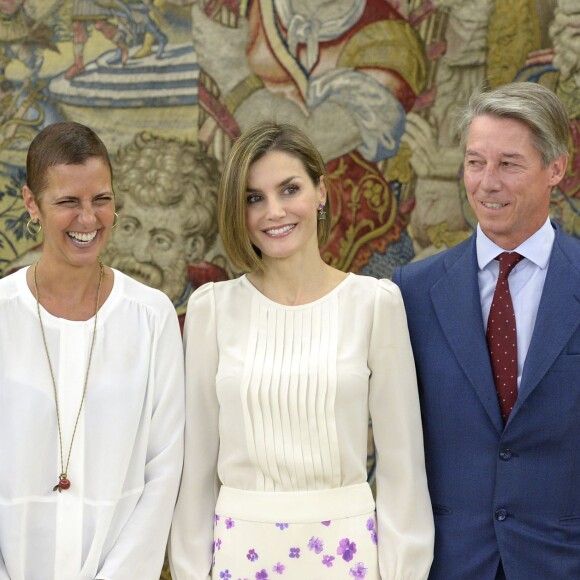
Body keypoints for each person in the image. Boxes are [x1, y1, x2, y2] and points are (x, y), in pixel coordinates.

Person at [169, 121, 434, 579]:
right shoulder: (212, 309)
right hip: (239, 554)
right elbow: (195, 471)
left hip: (348, 555)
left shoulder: (374, 304)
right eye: (254, 198)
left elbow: (403, 467)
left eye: (289, 189)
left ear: (322, 192)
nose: (274, 211)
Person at [392, 82, 580, 579]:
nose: (486, 182)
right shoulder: (412, 291)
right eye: (476, 162)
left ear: (556, 168)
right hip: (449, 563)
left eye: (509, 164)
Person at [0, 121, 185, 579]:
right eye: (68, 202)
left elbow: (164, 470)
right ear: (32, 204)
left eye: (101, 199)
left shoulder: (151, 316)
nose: (89, 219)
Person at [104, 132, 228, 324]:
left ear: (193, 248)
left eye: (161, 240)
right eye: (129, 228)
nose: (140, 254)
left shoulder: (211, 322)